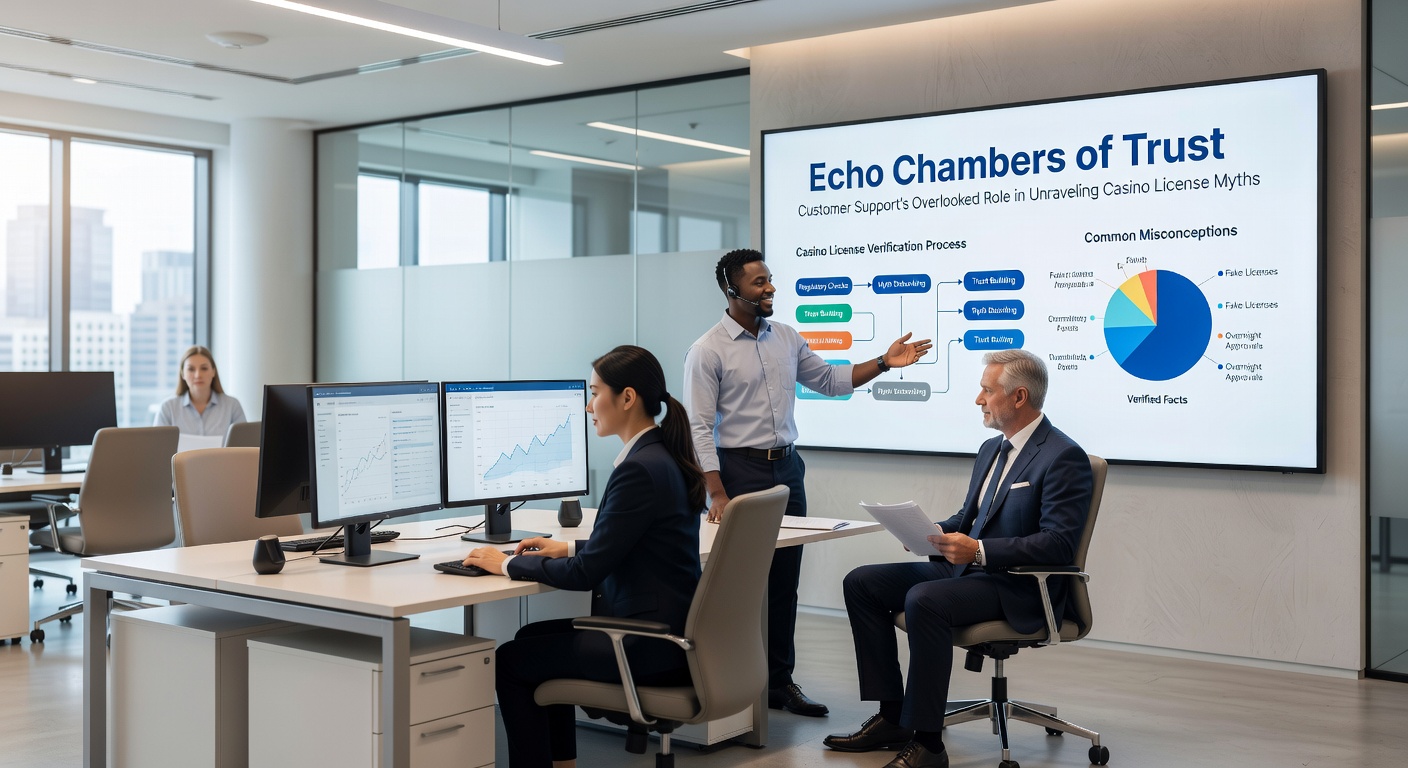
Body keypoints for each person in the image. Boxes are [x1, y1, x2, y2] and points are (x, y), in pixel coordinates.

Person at [682, 248, 932, 717]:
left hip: (787, 470)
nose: (770, 288)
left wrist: (883, 361)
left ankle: (779, 682)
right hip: (738, 472)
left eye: (769, 279)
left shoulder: (787, 338)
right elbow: (698, 427)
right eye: (758, 283)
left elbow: (831, 381)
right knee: (738, 583)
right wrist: (715, 490)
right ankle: (728, 682)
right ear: (731, 290)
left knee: (784, 582)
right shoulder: (707, 349)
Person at [823, 349, 1094, 768]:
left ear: (1018, 397)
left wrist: (981, 551)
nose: (978, 399)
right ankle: (893, 717)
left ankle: (929, 744)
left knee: (925, 599)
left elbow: (1058, 544)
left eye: (987, 390)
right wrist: (927, 533)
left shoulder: (1063, 457)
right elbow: (971, 518)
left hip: (1017, 585)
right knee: (862, 582)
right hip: (970, 570)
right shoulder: (991, 449)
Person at [462, 345, 707, 768]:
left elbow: (585, 573)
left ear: (627, 398)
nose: (590, 406)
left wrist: (504, 564)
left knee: (510, 662)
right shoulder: (661, 456)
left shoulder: (638, 469)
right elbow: (634, 544)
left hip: (644, 644)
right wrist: (567, 545)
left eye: (595, 393)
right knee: (530, 640)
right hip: (666, 631)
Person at [153, 345, 246, 436]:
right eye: (191, 369)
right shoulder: (168, 408)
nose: (198, 375)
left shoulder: (232, 406)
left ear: (213, 371)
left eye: (204, 368)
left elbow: (244, 444)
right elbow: (159, 448)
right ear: (183, 374)